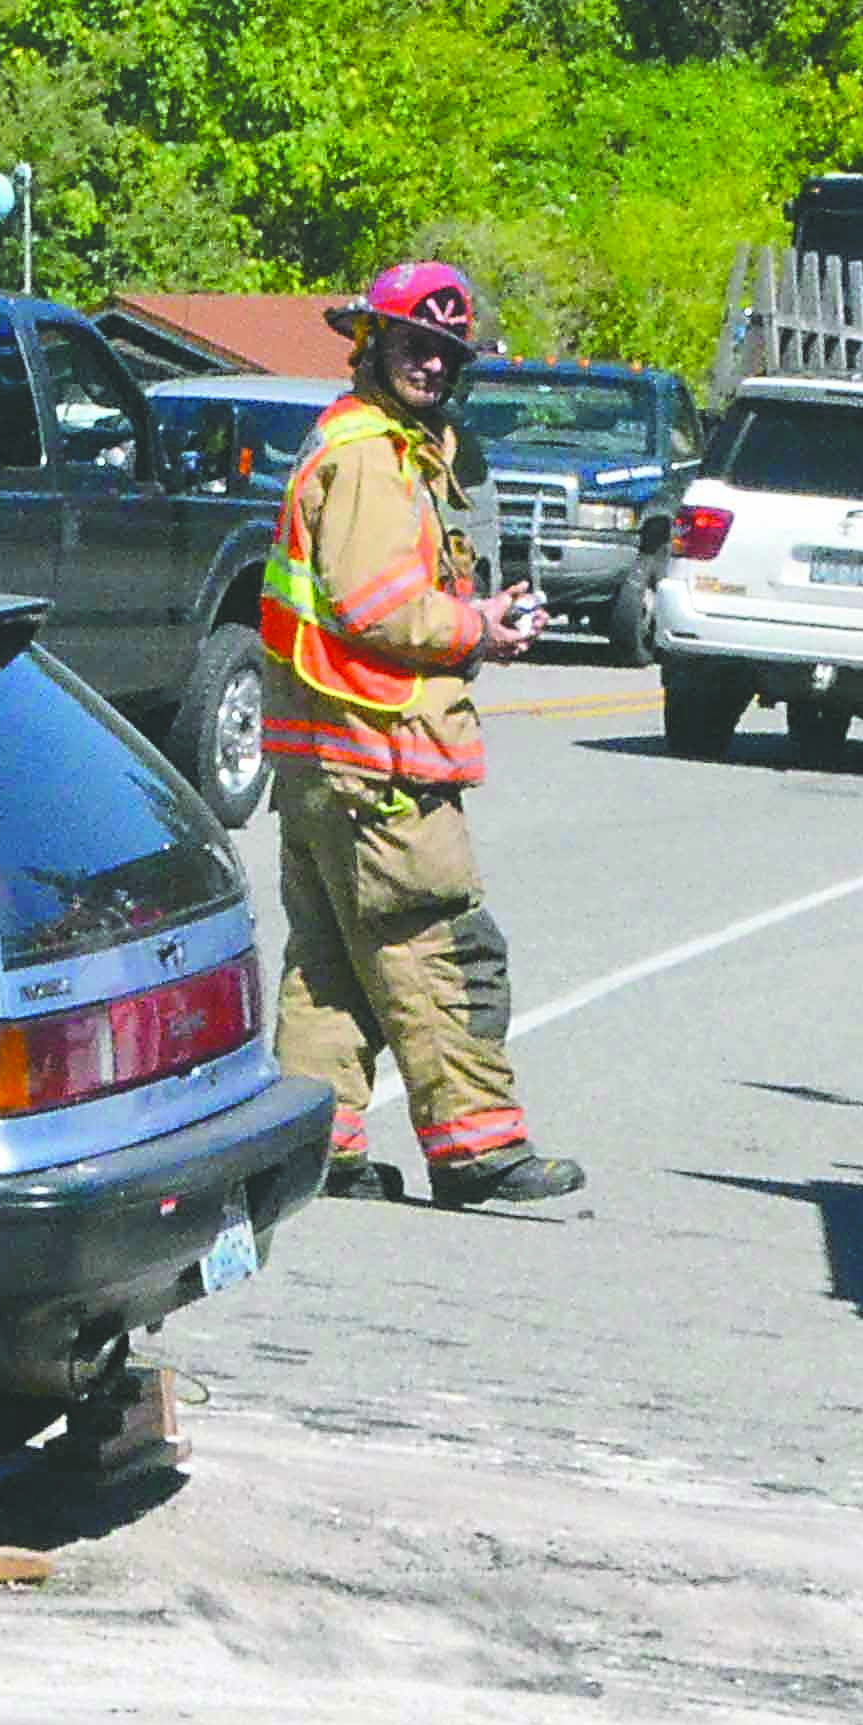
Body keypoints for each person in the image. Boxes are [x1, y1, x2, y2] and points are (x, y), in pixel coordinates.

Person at [259, 259, 587, 1208]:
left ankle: (319, 1146)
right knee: (435, 949)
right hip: (381, 759)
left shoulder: (376, 442)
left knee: (330, 967)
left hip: (330, 756)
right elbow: (373, 605)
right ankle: (477, 1146)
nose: (433, 367)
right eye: (415, 346)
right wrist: (477, 627)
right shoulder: (371, 456)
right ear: (370, 343)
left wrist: (478, 614)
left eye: (447, 354)